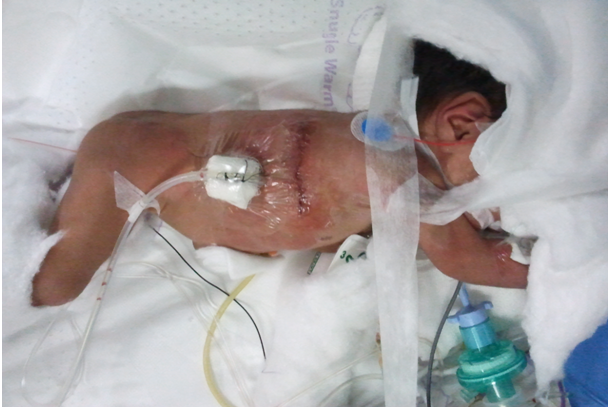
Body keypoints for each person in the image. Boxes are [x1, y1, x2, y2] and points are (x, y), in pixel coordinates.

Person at [31, 41, 528, 307]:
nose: (496, 203)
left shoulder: (396, 184)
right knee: (49, 288)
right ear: (463, 125)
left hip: (160, 188)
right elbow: (468, 260)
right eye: (511, 175)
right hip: (134, 159)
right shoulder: (396, 166)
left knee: (50, 283)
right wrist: (554, 264)